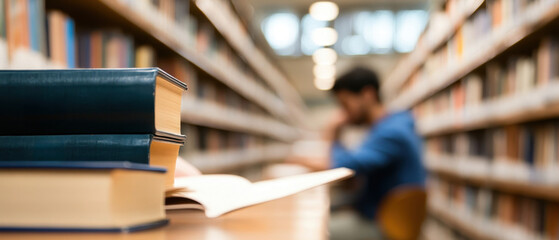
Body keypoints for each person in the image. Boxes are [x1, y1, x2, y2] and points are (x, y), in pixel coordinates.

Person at [289, 66, 426, 238]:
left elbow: (341, 166)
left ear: (368, 95)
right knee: (315, 211)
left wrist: (334, 131)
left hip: (384, 225)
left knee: (304, 230)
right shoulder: (386, 127)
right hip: (376, 212)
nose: (343, 113)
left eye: (345, 104)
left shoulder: (392, 133)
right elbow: (352, 172)